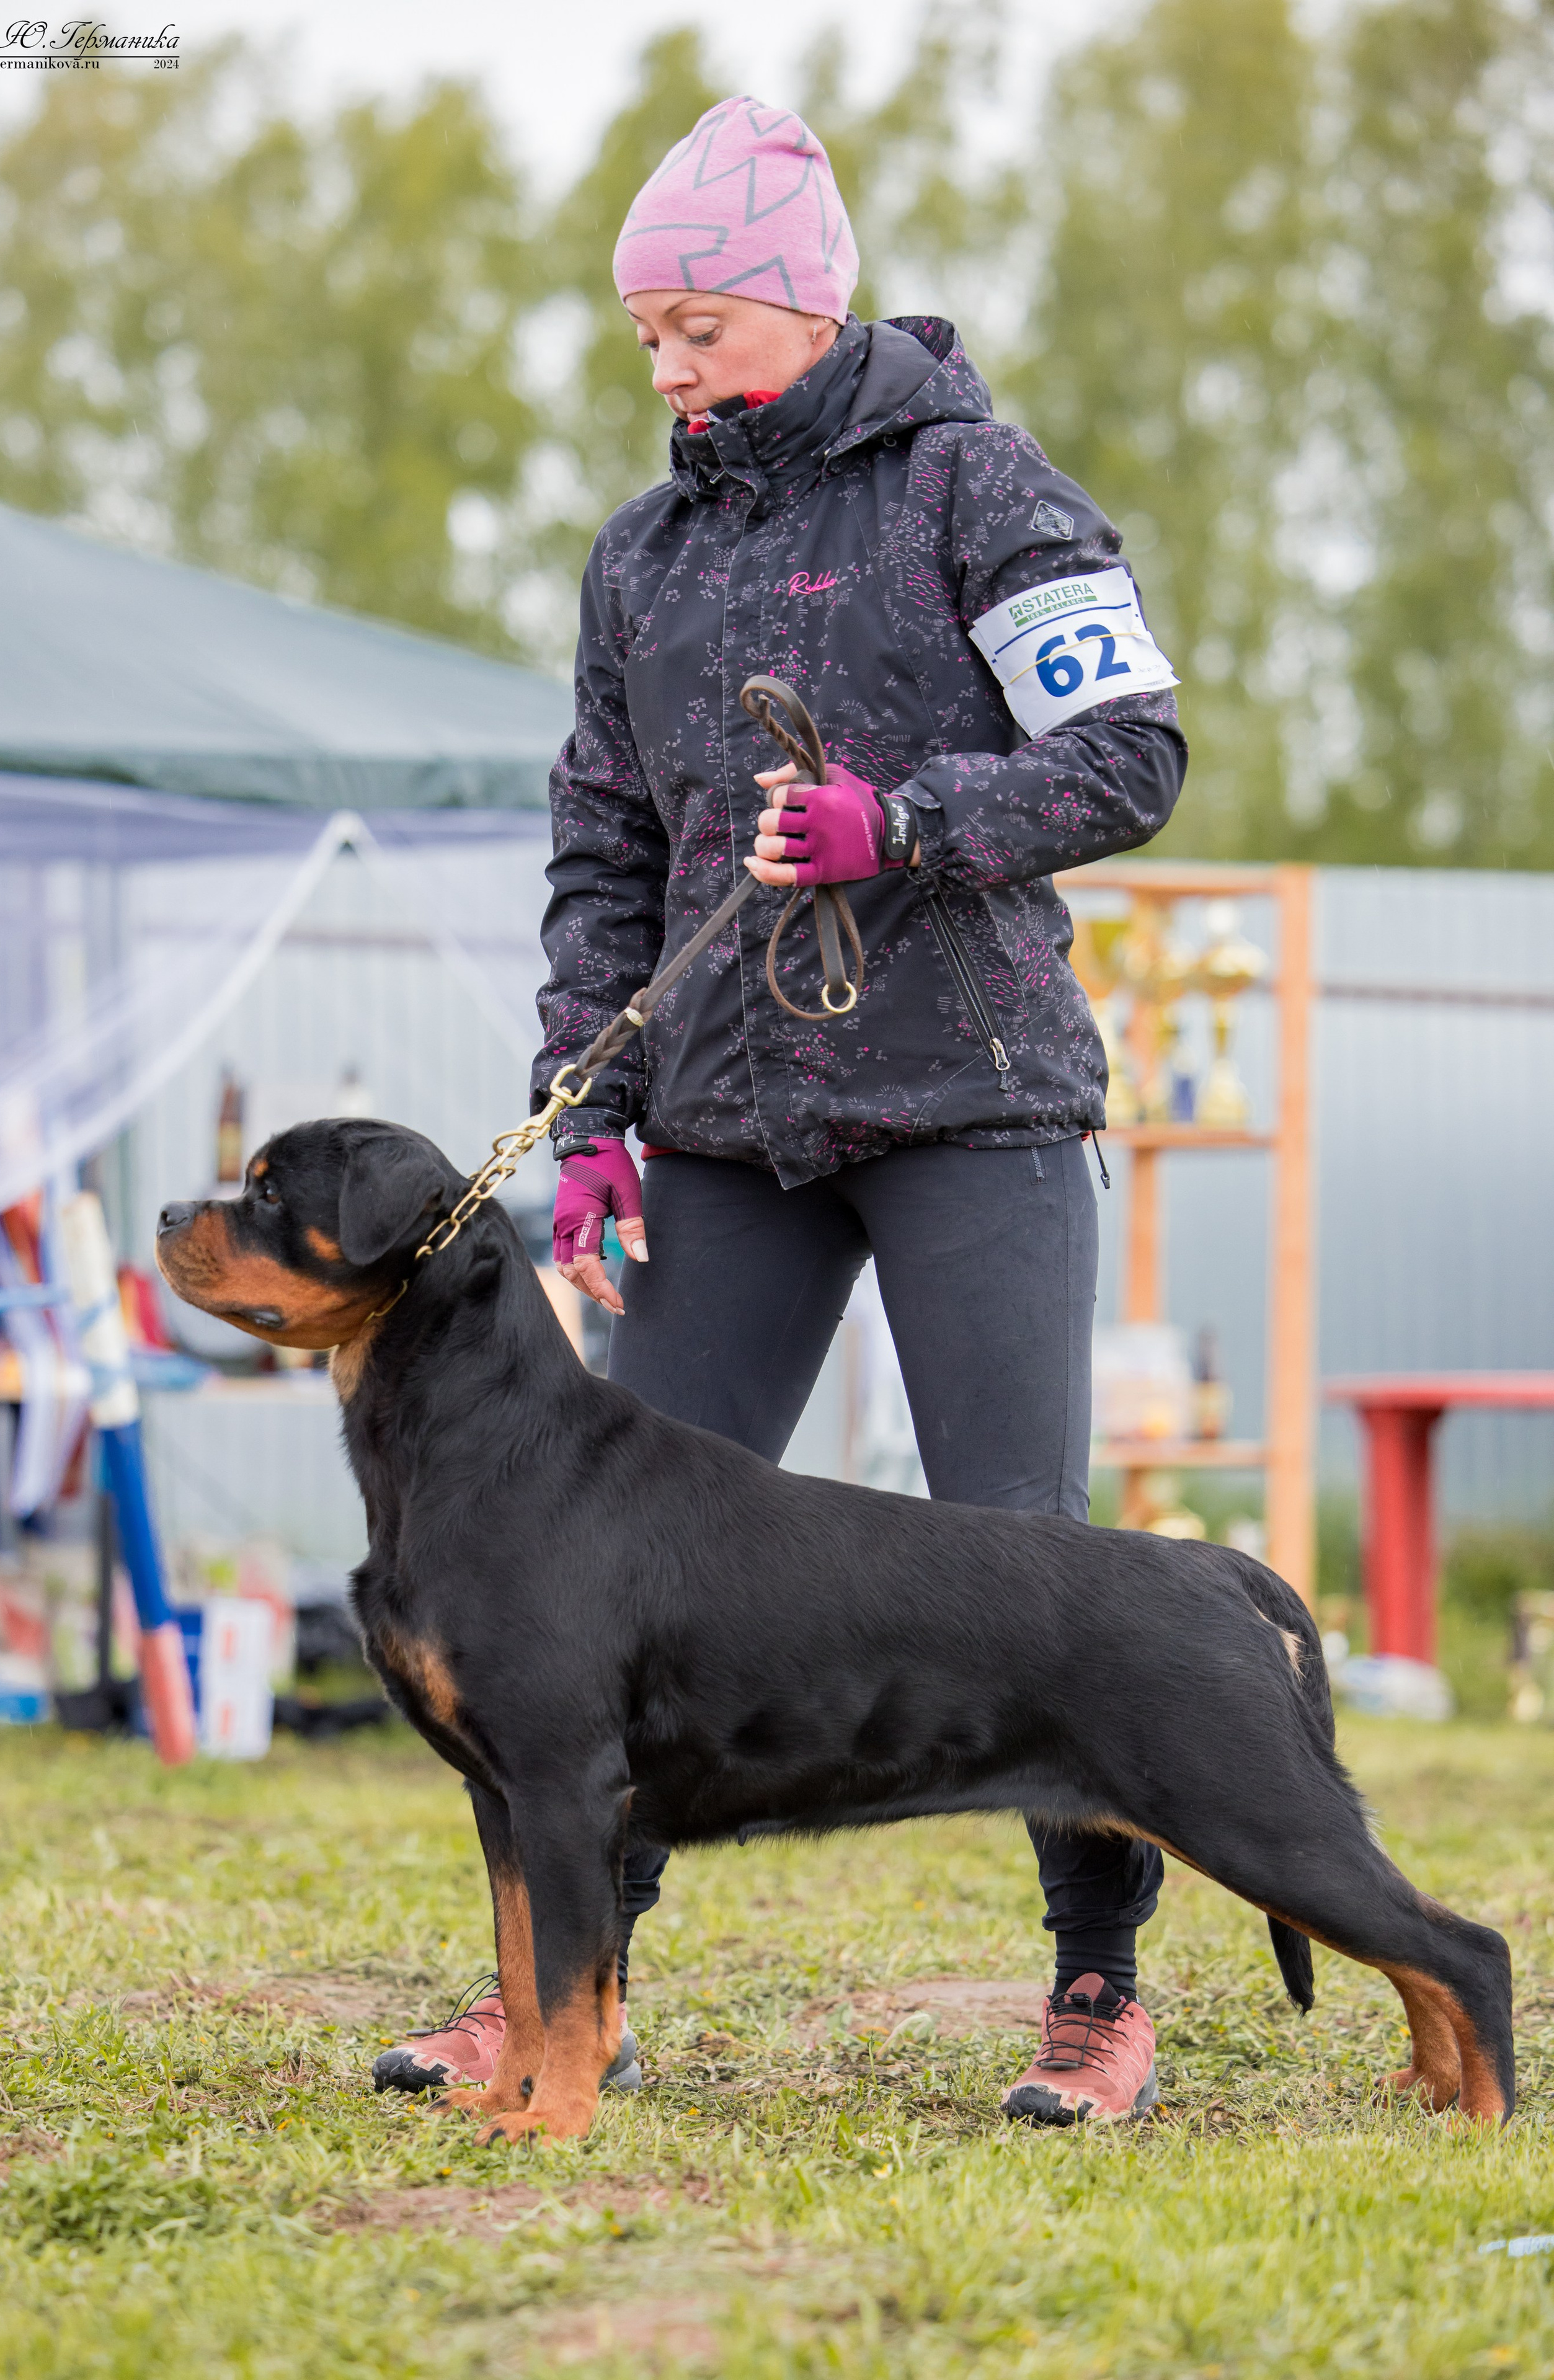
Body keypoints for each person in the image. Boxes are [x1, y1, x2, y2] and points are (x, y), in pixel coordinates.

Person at [375, 94, 1186, 2128]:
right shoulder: (641, 552)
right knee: (598, 1569)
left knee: (1023, 1559)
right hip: (728, 1125)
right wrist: (598, 1109)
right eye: (645, 333)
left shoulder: (976, 485)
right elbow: (600, 844)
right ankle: (572, 1995)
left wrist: (902, 819)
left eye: (699, 327)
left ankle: (1098, 1992)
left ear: (806, 302)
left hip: (972, 1103)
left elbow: (1132, 755)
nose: (665, 368)